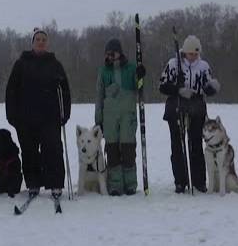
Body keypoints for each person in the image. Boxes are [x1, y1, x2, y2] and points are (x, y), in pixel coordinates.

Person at [5, 28, 71, 200]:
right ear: (32, 43)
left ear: (47, 43)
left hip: (50, 117)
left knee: (53, 150)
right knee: (29, 152)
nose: (41, 42)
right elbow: (11, 90)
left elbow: (64, 90)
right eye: (38, 39)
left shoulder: (55, 64)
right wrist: (11, 114)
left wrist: (65, 112)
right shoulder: (21, 63)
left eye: (43, 39)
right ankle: (33, 183)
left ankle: (56, 184)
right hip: (25, 118)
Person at [159, 35, 220, 194]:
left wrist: (212, 88)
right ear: (184, 52)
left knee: (196, 145)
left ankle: (199, 181)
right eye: (190, 53)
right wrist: (178, 90)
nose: (193, 57)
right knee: (177, 146)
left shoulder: (204, 66)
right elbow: (162, 86)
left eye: (196, 54)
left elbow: (207, 86)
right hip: (176, 108)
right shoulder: (173, 64)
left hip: (197, 108)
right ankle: (180, 181)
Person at [94, 39, 145, 196]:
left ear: (120, 52)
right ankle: (115, 184)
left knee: (128, 149)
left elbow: (139, 86)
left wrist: (141, 75)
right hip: (109, 117)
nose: (110, 56)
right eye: (107, 54)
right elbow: (99, 95)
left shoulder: (131, 69)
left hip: (127, 115)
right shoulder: (103, 71)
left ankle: (130, 183)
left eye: (112, 53)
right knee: (112, 149)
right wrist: (98, 119)